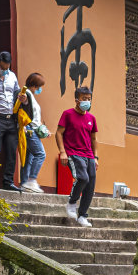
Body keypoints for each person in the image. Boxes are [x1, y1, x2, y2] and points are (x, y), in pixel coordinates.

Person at [55, 86, 98, 228]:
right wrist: (62, 152)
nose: (87, 101)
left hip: (89, 155)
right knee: (82, 178)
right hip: (73, 153)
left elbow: (94, 139)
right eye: (84, 99)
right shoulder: (67, 114)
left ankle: (82, 216)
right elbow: (59, 133)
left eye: (89, 99)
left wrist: (96, 157)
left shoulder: (92, 118)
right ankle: (72, 202)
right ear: (76, 100)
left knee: (90, 184)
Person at [0, 51, 27, 191]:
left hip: (11, 118)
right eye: (2, 68)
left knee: (11, 151)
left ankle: (8, 182)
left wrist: (22, 99)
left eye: (7, 68)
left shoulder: (12, 76)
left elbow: (16, 92)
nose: (5, 71)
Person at [20, 72, 49, 193]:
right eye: (39, 86)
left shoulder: (31, 95)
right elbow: (24, 102)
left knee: (29, 157)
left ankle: (25, 183)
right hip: (30, 130)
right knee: (41, 154)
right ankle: (31, 180)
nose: (40, 89)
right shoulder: (27, 94)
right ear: (35, 85)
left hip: (32, 129)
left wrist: (44, 130)